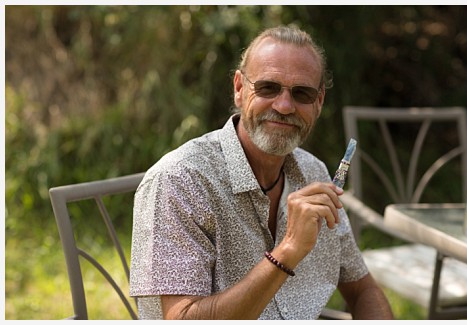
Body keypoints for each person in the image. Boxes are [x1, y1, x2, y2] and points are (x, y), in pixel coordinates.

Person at [129, 26, 394, 320]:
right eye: (268, 88)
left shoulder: (314, 173)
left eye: (302, 93)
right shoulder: (180, 180)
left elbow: (363, 289)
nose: (284, 105)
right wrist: (289, 249)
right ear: (240, 89)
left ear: (318, 103)